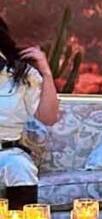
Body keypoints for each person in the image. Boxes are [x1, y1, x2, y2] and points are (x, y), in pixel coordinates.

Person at [0, 15, 60, 209]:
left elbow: (48, 118)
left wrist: (46, 73)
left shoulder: (22, 75)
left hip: (7, 153)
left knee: (20, 167)